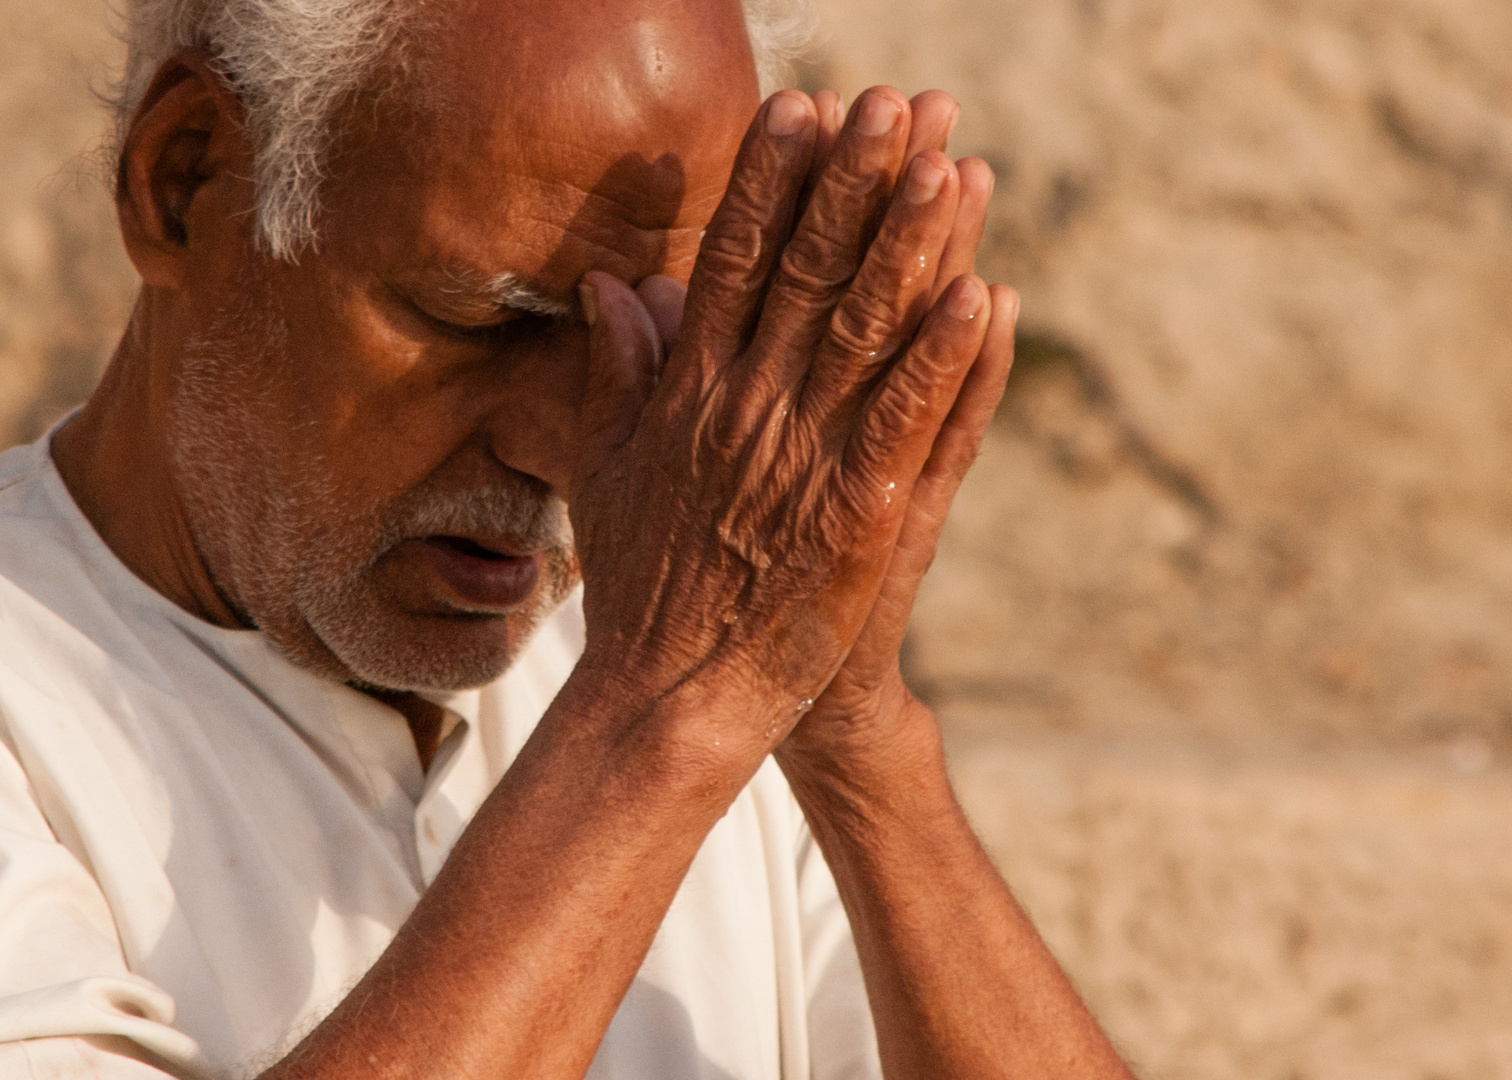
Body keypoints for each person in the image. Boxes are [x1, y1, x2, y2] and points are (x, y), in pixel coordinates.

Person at [0, 0, 1136, 1077]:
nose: (564, 445)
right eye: (479, 321)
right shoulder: (680, 678)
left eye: (650, 340)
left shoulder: (704, 656)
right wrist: (665, 710)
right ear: (185, 182)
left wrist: (856, 738)